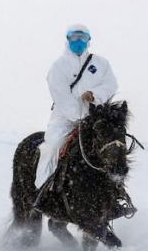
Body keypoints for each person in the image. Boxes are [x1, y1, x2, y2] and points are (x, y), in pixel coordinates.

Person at [35, 24, 119, 185]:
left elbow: (111, 85)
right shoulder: (58, 66)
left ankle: (116, 189)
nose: (78, 41)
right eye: (74, 37)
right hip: (64, 119)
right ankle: (43, 189)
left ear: (89, 40)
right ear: (67, 40)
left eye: (83, 37)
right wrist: (80, 116)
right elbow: (61, 96)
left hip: (95, 116)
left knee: (113, 145)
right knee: (52, 147)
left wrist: (95, 95)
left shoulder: (101, 63)